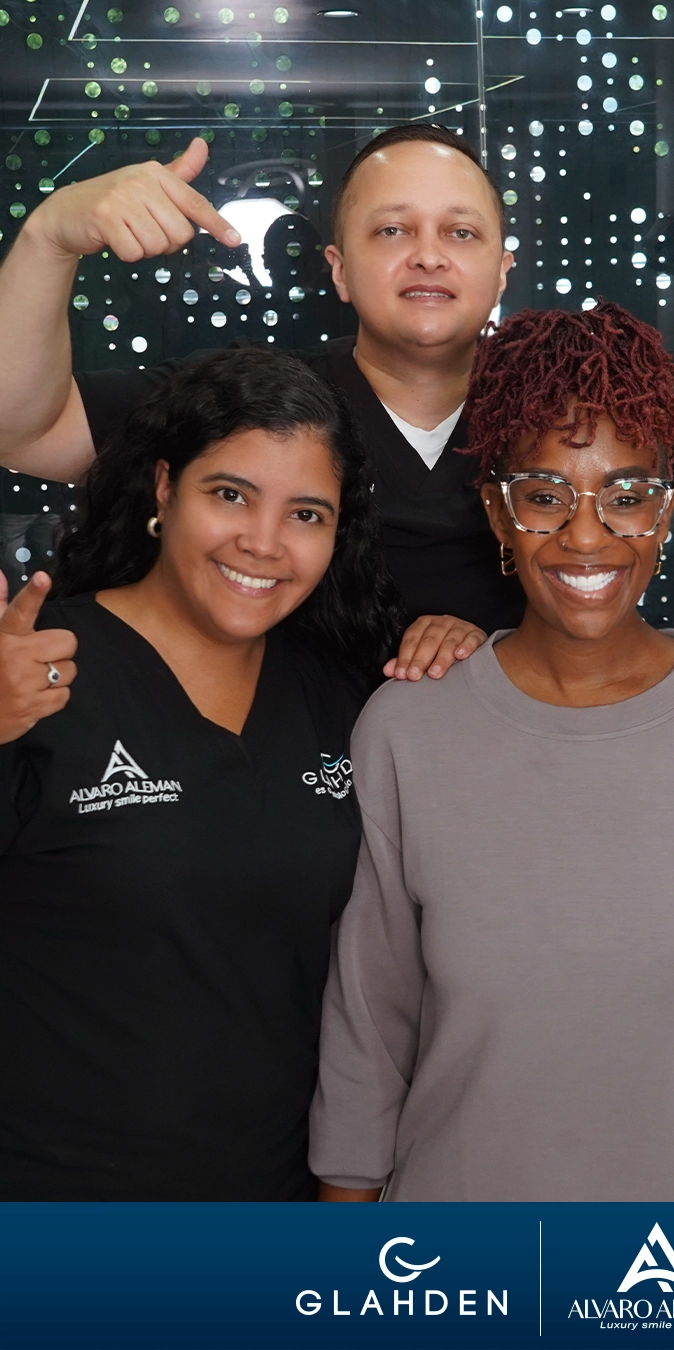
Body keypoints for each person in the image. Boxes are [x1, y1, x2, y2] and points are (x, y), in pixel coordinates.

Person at [309, 301, 674, 1203]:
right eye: (546, 496)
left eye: (626, 494)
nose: (586, 536)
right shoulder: (407, 731)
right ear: (498, 512)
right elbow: (369, 1031)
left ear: (666, 510)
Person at [0, 114, 674, 681]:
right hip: (285, 794)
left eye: (460, 231)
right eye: (391, 230)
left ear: (502, 268)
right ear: (338, 269)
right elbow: (23, 427)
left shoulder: (583, 399)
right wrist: (49, 239)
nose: (428, 254)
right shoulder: (258, 408)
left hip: (504, 782)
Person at [0, 347, 400, 1200]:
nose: (263, 543)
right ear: (163, 489)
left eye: (306, 514)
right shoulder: (35, 671)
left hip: (273, 1218)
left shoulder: (343, 700)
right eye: (230, 495)